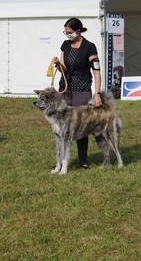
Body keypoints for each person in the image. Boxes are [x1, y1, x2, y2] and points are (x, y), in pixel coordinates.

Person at [51, 17, 102, 169]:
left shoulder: (89, 47)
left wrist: (97, 93)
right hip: (65, 89)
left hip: (82, 88)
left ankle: (83, 160)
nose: (67, 34)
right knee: (60, 126)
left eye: (69, 32)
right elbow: (63, 69)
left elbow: (97, 72)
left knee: (81, 125)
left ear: (78, 31)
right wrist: (58, 64)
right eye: (65, 32)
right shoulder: (65, 45)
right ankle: (60, 161)